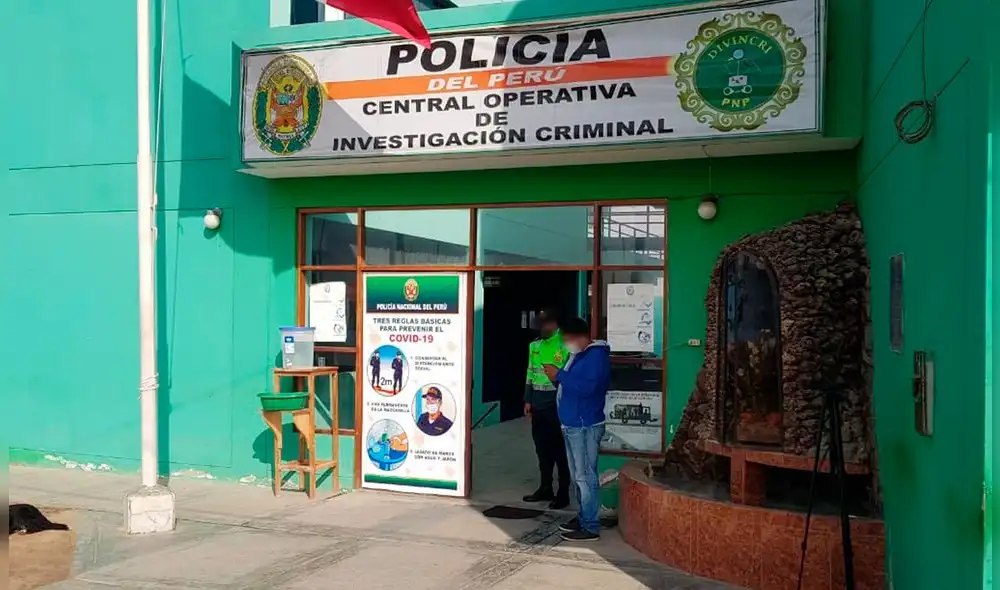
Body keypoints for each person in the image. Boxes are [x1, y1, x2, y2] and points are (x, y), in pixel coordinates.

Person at [542, 317, 611, 542]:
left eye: (566, 339)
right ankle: (583, 517)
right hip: (572, 424)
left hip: (584, 426)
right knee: (578, 476)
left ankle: (590, 526)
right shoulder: (578, 355)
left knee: (585, 476)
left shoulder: (595, 356)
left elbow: (589, 388)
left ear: (579, 337)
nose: (564, 343)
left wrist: (559, 375)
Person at [522, 308, 571, 510]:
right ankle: (545, 487)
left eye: (546, 325)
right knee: (541, 449)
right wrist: (528, 400)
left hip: (557, 403)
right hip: (538, 403)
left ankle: (563, 492)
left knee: (559, 450)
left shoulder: (566, 345)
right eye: (540, 326)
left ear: (554, 324)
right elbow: (530, 373)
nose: (542, 329)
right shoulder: (534, 346)